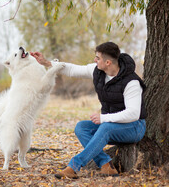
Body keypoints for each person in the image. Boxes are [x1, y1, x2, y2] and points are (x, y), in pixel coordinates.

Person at [30, 42, 147, 179]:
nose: (94, 60)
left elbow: (133, 114)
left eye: (97, 58)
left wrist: (103, 118)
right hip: (111, 125)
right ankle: (106, 165)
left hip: (134, 127)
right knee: (82, 127)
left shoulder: (131, 82)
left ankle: (73, 166)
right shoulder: (98, 71)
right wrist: (47, 62)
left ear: (108, 62)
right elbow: (72, 69)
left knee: (107, 127)